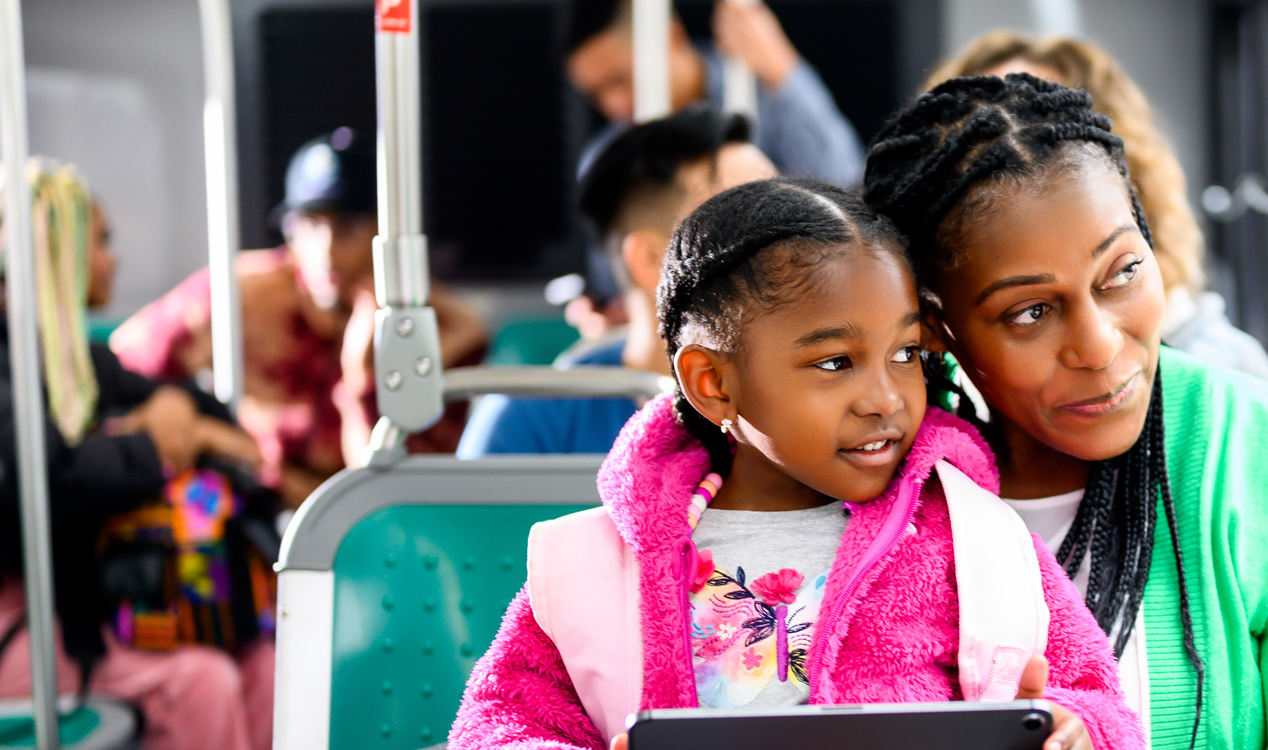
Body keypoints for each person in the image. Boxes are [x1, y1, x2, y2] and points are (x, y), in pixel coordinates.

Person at [862, 74, 1268, 748]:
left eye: (1120, 271)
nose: (1098, 346)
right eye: (1030, 312)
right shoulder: (872, 482)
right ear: (938, 328)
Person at [451, 177, 1143, 750]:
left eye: (905, 354)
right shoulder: (600, 565)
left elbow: (1095, 696)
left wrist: (1078, 728)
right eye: (835, 362)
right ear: (713, 383)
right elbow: (500, 723)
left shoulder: (974, 536)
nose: (885, 399)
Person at [0, 162, 274, 750]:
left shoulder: (79, 364)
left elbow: (200, 409)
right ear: (55, 254)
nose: (111, 260)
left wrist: (184, 426)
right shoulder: (12, 371)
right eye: (98, 242)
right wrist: (150, 443)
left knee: (265, 667)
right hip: (27, 623)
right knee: (201, 684)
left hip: (89, 606)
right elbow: (46, 484)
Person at [111, 129, 489, 507]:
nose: (326, 251)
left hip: (357, 528)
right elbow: (117, 371)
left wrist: (362, 379)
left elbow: (390, 503)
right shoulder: (239, 297)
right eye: (309, 225)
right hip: (250, 507)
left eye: (348, 227)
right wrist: (175, 405)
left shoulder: (443, 330)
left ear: (389, 233)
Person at [926, 32, 1268, 386]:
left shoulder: (1225, 371)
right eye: (984, 138)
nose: (1021, 151)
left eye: (1049, 131)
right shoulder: (929, 386)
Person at [457, 105, 775, 456]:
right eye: (750, 222)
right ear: (653, 260)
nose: (789, 241)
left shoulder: (810, 404)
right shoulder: (528, 424)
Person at [567, 0, 863, 187]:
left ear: (670, 37)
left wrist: (782, 68)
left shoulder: (762, 89)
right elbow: (610, 278)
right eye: (594, 93)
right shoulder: (606, 157)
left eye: (619, 79)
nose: (613, 105)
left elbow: (843, 187)